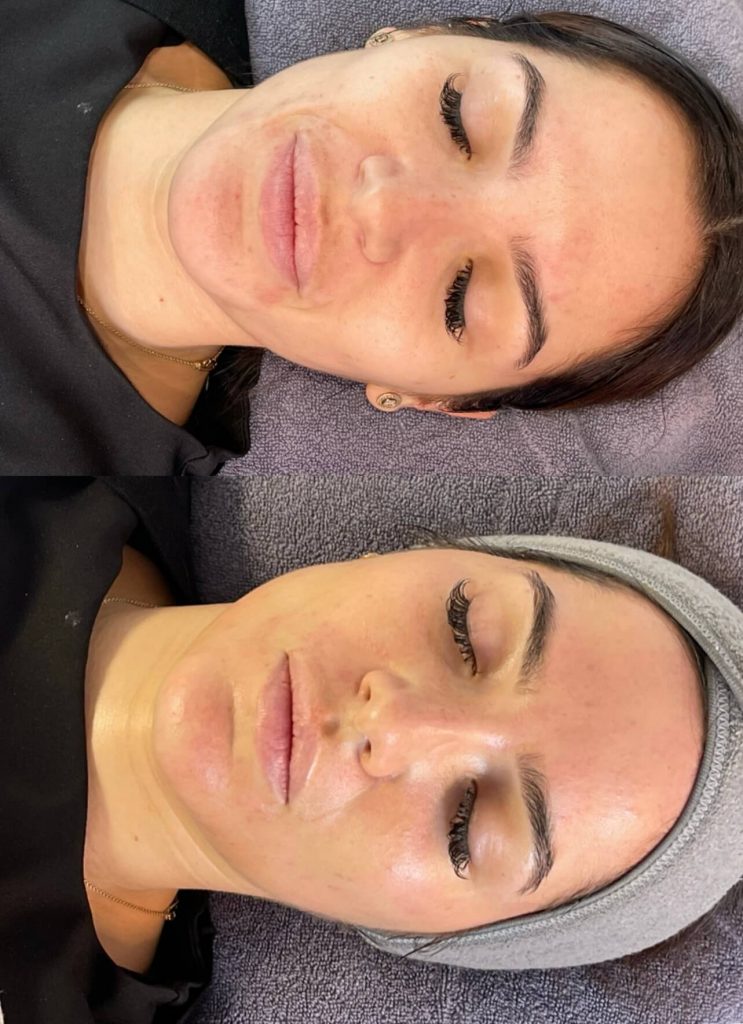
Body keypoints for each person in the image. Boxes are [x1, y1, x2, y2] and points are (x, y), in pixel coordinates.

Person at [2, 477, 742, 1022]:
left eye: (466, 826)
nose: (393, 725)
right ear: (416, 553)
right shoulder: (65, 442)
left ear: (422, 938)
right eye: (466, 632)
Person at [2, 6, 742, 474]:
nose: (384, 206)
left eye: (461, 298)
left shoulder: (57, 501)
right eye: (457, 117)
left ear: (433, 399)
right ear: (431, 32)